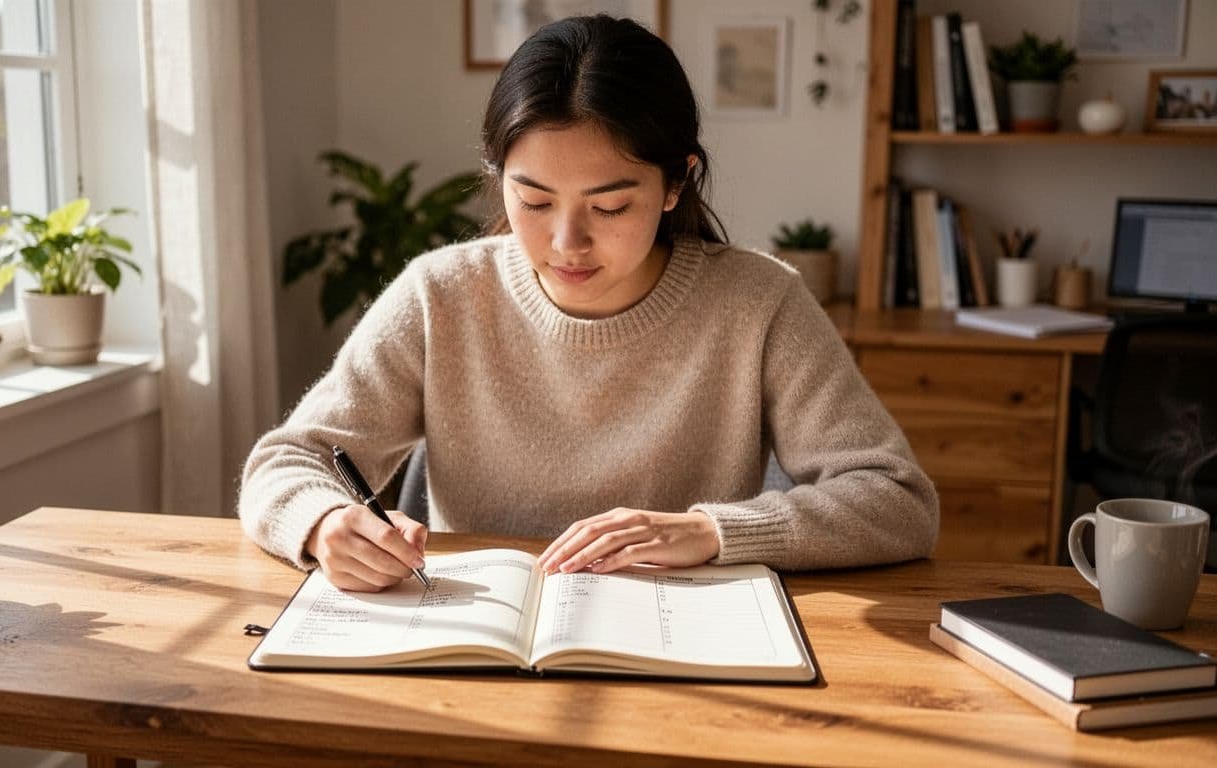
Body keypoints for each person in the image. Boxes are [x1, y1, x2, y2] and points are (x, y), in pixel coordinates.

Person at [239, 15, 938, 592]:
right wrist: (322, 522)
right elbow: (286, 461)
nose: (566, 241)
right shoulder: (441, 294)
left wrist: (711, 531)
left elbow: (897, 500)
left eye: (610, 205)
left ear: (675, 183)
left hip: (678, 642)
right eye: (533, 200)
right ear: (497, 176)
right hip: (474, 641)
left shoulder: (760, 302)